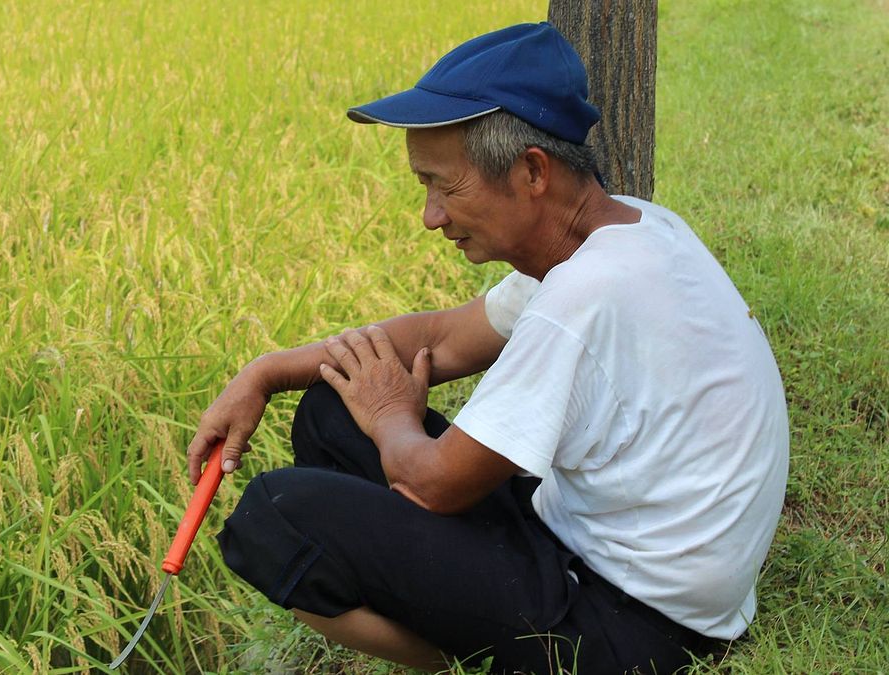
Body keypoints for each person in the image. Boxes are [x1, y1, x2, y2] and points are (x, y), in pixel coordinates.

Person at [186, 22, 789, 674]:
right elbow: (441, 337)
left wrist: (392, 415)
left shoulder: (582, 299)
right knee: (329, 414)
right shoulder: (630, 231)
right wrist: (267, 373)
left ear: (532, 170)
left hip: (636, 629)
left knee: (274, 521)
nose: (431, 216)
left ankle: (482, 662)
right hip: (604, 551)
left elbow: (436, 484)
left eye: (445, 186)